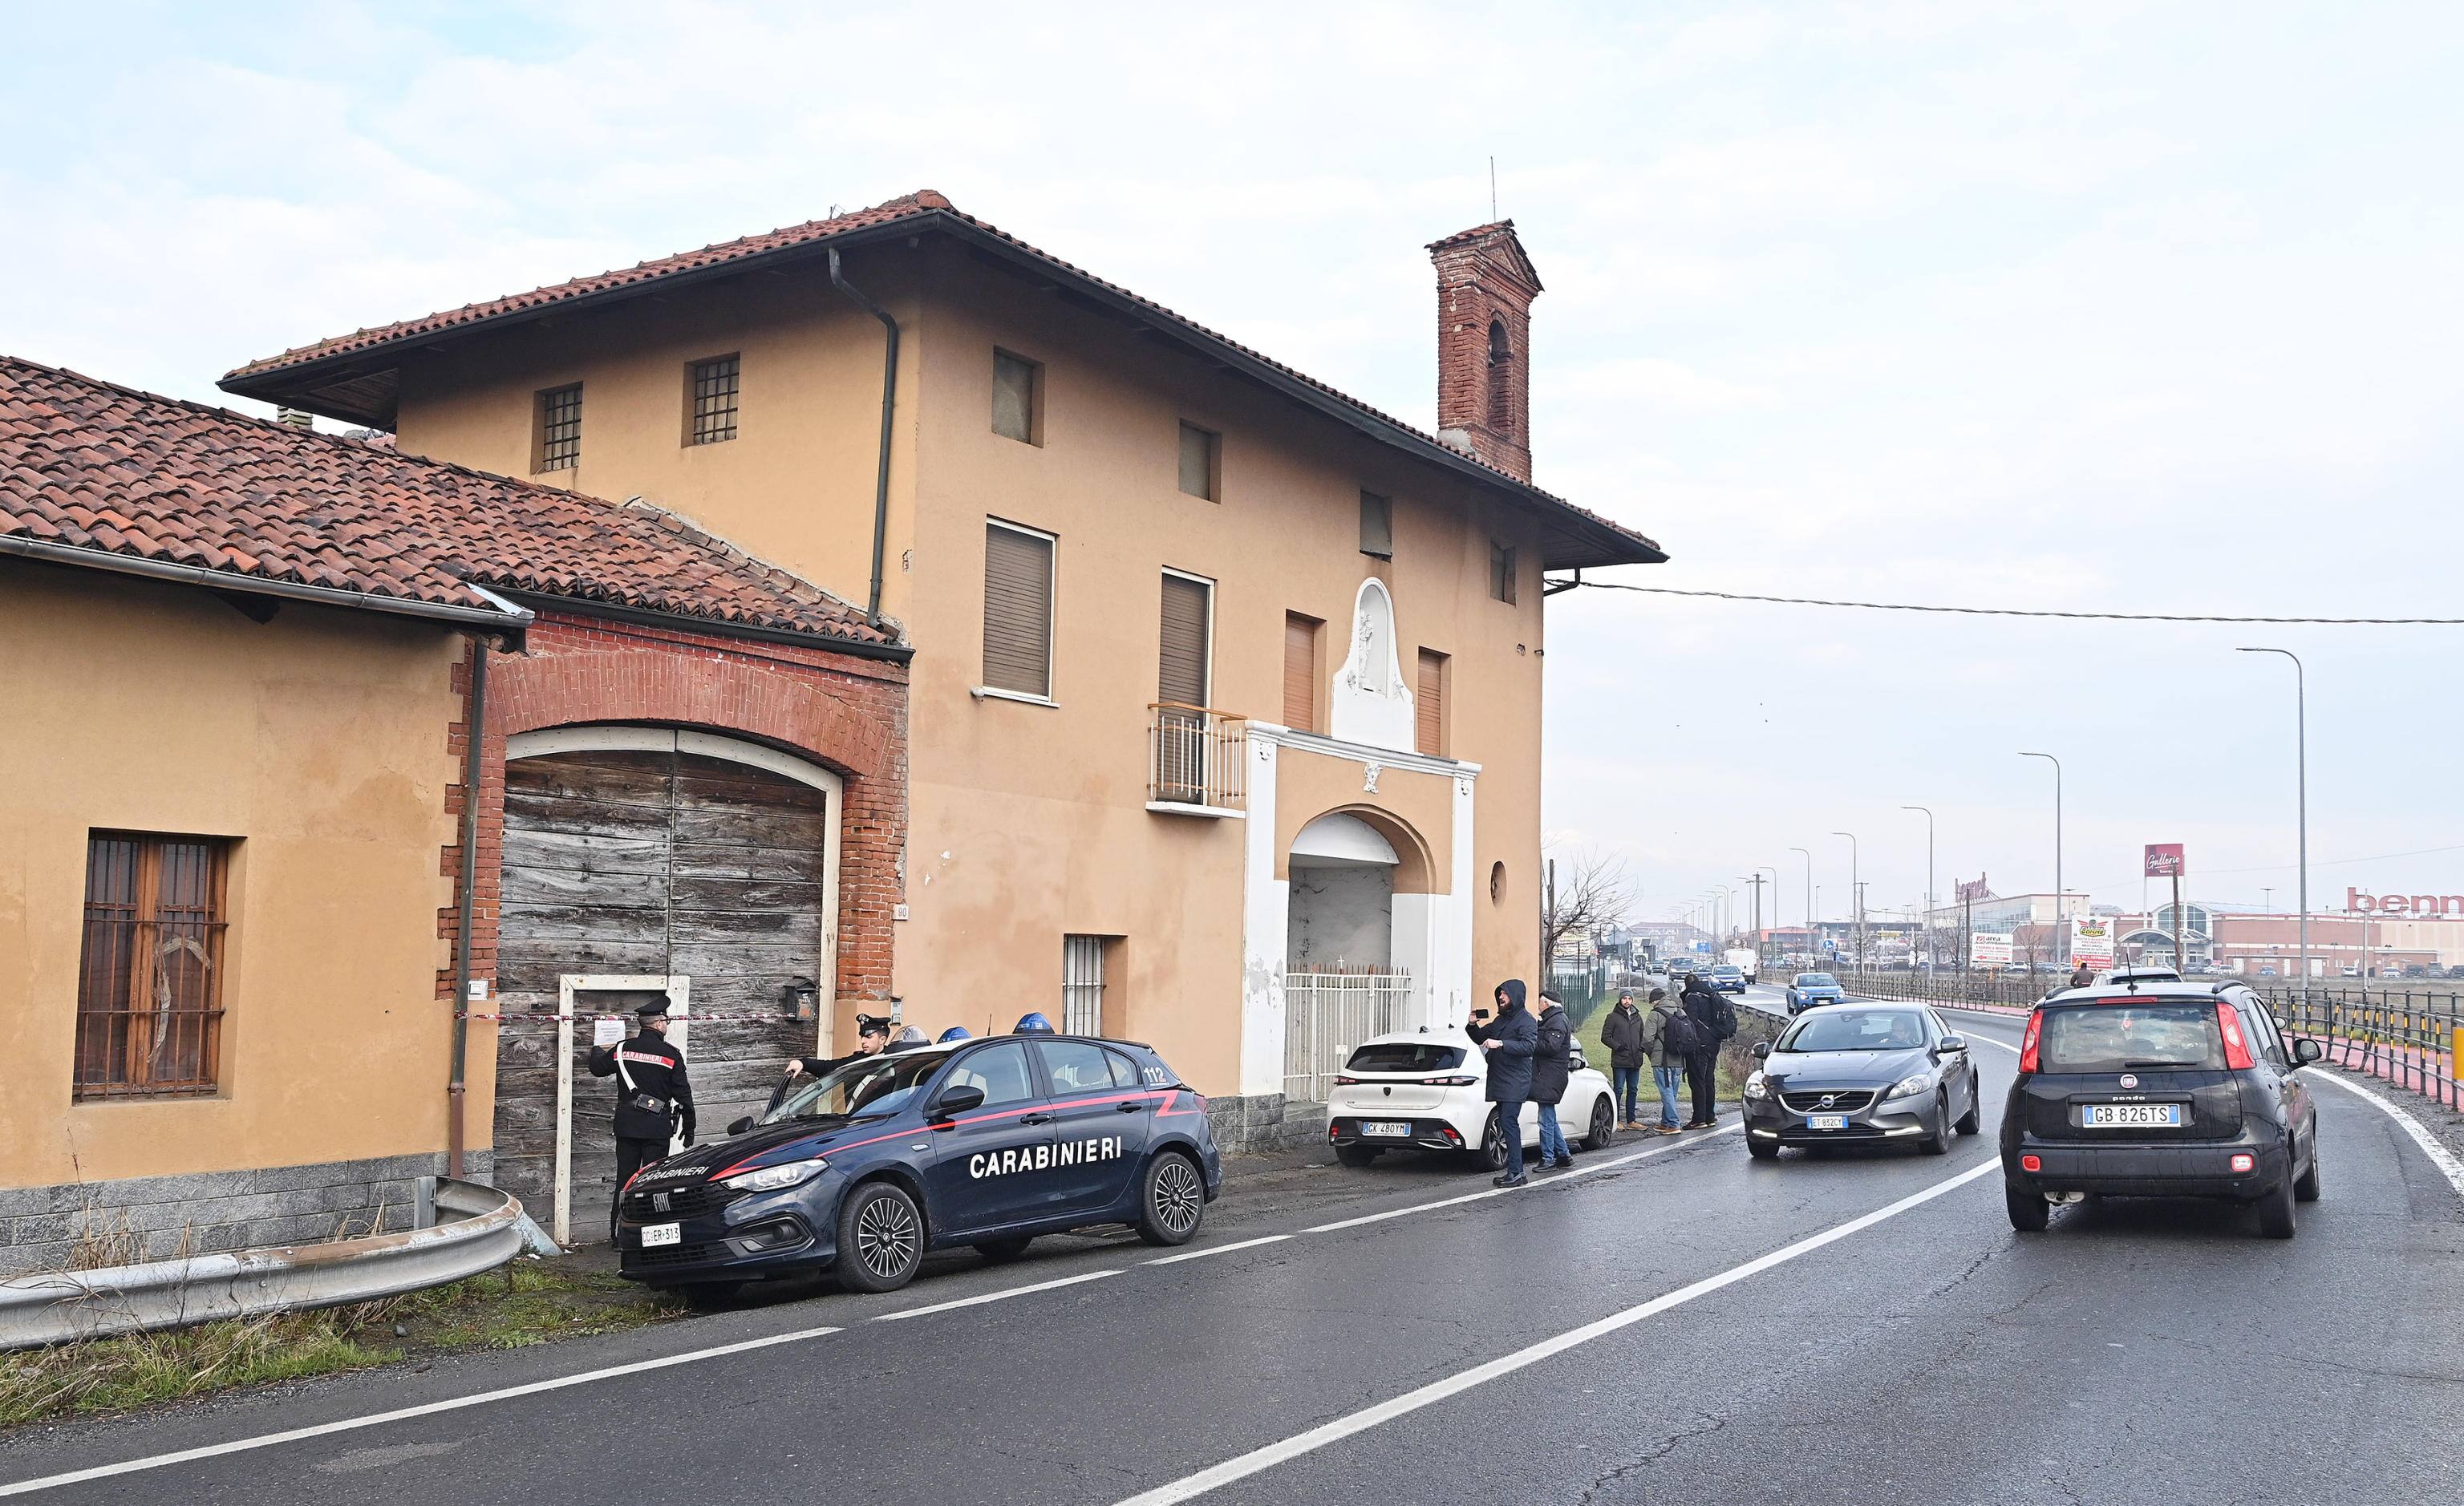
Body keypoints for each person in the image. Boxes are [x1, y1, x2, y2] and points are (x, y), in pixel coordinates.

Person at [586, 998, 695, 1243]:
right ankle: (653, 1236)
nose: (666, 1025)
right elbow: (684, 1096)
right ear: (658, 1024)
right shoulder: (671, 1055)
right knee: (654, 1182)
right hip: (656, 1129)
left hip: (627, 1127)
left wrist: (597, 1047)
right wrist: (689, 1128)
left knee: (625, 1180)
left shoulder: (622, 1049)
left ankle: (618, 1236)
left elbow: (597, 1068)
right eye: (665, 1021)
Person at [1466, 980, 1538, 1187]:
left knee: (1509, 1123)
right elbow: (1480, 1037)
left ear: (1515, 996)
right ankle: (1516, 1172)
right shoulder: (1500, 1020)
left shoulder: (1527, 1021)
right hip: (1499, 1079)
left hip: (1516, 1081)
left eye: (1505, 994)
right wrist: (1472, 1024)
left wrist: (1502, 1044)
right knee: (1506, 1125)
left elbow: (1528, 1046)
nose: (1501, 997)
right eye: (1500, 994)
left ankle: (1516, 1172)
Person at [1680, 971, 1735, 1129]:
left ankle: (1699, 1119)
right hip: (1715, 1042)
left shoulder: (1692, 997)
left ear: (1687, 985)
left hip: (1700, 1045)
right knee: (1709, 1080)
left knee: (1697, 1081)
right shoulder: (1711, 994)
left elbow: (1690, 1022)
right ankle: (1710, 1117)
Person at [1529, 990, 1574, 1170]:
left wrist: (1530, 1041)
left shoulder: (1557, 1021)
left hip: (1550, 1075)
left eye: (1540, 1003)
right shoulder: (1552, 1020)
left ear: (1547, 1004)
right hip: (1548, 1075)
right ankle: (1563, 1154)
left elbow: (1551, 1046)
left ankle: (1548, 1157)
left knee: (1545, 1119)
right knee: (1549, 1117)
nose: (1538, 1007)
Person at [1643, 987, 1691, 1133]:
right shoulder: (1680, 1011)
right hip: (1679, 1058)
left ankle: (1674, 1124)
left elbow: (1647, 1038)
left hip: (1661, 1060)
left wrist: (1650, 1053)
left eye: (1652, 1002)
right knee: (1672, 1092)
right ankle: (1666, 1122)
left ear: (1655, 1001)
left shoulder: (1655, 1014)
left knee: (1665, 1091)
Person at [1601, 990, 1649, 1130]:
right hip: (1620, 1060)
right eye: (1624, 998)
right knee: (1619, 1089)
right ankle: (1616, 1120)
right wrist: (1618, 1047)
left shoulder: (1638, 1017)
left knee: (1633, 1089)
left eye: (1629, 999)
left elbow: (1643, 1035)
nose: (1627, 1001)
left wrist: (1641, 1047)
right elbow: (1605, 1037)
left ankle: (1631, 1120)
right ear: (1620, 1000)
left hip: (1635, 1060)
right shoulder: (1612, 1017)